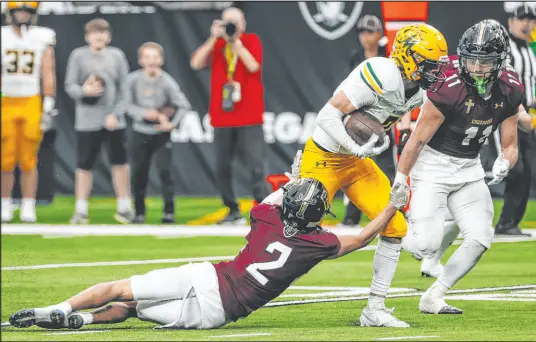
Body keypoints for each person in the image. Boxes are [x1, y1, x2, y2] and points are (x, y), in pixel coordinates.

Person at [8, 151, 410, 330]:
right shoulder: (318, 243)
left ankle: (60, 308)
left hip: (209, 279)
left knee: (120, 289)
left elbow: (280, 196)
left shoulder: (267, 215)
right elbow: (361, 237)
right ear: (318, 218)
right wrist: (392, 207)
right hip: (218, 315)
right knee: (130, 311)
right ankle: (83, 321)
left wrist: (294, 176)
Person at [300, 23, 449, 327]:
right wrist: (356, 146)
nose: (434, 72)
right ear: (408, 58)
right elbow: (326, 115)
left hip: (356, 161)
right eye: (429, 65)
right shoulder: (381, 72)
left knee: (394, 225)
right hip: (325, 156)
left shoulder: (419, 89)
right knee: (297, 232)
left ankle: (374, 309)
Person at [391, 20, 526, 314]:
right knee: (424, 246)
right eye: (471, 59)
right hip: (433, 166)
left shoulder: (510, 87)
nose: (476, 68)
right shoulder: (448, 86)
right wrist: (401, 179)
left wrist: (505, 161)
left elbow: (511, 144)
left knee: (480, 236)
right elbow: (416, 141)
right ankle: (390, 231)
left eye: (485, 61)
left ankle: (434, 296)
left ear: (500, 62)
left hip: (469, 168)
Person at [190, 7, 269, 225]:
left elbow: (253, 65)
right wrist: (212, 38)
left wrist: (236, 43)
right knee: (222, 166)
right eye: (228, 22)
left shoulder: (251, 40)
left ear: (243, 23)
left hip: (249, 115)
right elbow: (196, 63)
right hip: (222, 117)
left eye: (235, 22)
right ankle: (232, 209)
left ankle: (263, 211)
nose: (232, 27)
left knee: (255, 165)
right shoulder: (216, 44)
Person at [341, 14, 412, 227]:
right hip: (359, 120)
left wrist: (405, 126)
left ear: (379, 34)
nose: (366, 36)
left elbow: (402, 94)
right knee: (354, 167)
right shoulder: (356, 58)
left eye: (370, 31)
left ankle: (397, 211)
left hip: (383, 120)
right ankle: (351, 215)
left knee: (388, 170)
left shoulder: (388, 59)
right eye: (362, 31)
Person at [65, 18, 133, 224]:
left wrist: (116, 113)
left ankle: (124, 207)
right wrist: (84, 91)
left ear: (109, 36)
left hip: (113, 120)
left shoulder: (116, 55)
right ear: (88, 36)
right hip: (87, 120)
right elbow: (70, 85)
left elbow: (125, 88)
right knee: (84, 165)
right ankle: (81, 210)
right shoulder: (78, 56)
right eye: (95, 32)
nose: (99, 36)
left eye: (103, 32)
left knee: (119, 163)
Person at [119, 42, 191, 224]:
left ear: (161, 60)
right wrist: (145, 114)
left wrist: (171, 124)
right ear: (141, 60)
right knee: (139, 173)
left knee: (165, 172)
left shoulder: (166, 81)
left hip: (160, 134)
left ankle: (169, 211)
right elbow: (126, 105)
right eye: (147, 57)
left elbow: (183, 105)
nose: (151, 61)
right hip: (140, 132)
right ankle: (139, 212)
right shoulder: (133, 80)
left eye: (155, 57)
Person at [1, 1, 56, 223]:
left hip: (31, 100)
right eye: (18, 11)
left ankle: (28, 204)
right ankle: (4, 203)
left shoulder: (43, 36)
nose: (22, 15)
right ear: (10, 13)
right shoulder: (3, 35)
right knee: (5, 157)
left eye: (26, 11)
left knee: (28, 158)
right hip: (5, 100)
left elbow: (47, 70)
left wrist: (49, 101)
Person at [494, 4, 536, 236]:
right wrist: (519, 111)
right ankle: (504, 223)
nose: (526, 23)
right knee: (515, 168)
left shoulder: (530, 51)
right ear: (511, 22)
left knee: (527, 171)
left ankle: (509, 224)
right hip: (508, 113)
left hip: (527, 114)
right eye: (522, 19)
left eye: (530, 19)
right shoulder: (506, 48)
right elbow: (505, 81)